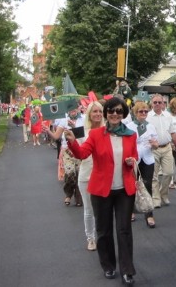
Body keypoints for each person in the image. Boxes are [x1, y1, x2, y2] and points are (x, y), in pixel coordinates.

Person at [65, 96, 138, 285]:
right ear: (106, 114)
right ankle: (108, 266)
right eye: (111, 111)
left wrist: (131, 161)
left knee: (124, 230)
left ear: (123, 114)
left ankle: (127, 270)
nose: (114, 114)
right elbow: (82, 154)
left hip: (124, 190)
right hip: (101, 190)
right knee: (104, 231)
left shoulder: (131, 134)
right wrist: (72, 142)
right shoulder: (96, 135)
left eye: (119, 111)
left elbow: (134, 156)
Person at [127, 101, 159, 229]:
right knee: (131, 186)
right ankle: (131, 211)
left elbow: (156, 143)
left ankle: (149, 214)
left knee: (147, 185)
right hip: (134, 159)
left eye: (146, 111)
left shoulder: (150, 126)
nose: (144, 113)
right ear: (135, 113)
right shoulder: (129, 126)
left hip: (148, 158)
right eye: (141, 111)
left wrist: (154, 144)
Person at [78, 101, 104, 251]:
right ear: (89, 113)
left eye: (100, 112)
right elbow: (78, 152)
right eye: (94, 111)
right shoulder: (82, 131)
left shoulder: (107, 130)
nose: (97, 114)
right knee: (89, 209)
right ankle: (90, 238)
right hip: (86, 175)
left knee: (102, 210)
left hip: (103, 176)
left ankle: (102, 236)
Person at [45, 107, 85, 206]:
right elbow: (56, 136)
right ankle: (68, 193)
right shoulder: (64, 120)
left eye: (75, 108)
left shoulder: (83, 119)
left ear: (78, 109)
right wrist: (48, 131)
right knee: (70, 173)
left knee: (79, 174)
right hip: (67, 151)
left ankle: (78, 198)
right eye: (71, 109)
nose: (73, 111)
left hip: (80, 150)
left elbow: (83, 137)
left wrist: (74, 127)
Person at [147, 94, 176, 207]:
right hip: (153, 149)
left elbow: (173, 132)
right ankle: (156, 198)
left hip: (167, 147)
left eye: (159, 102)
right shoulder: (147, 116)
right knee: (154, 176)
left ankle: (163, 194)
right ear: (151, 103)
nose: (157, 104)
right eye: (155, 102)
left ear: (163, 104)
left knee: (169, 173)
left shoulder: (168, 116)